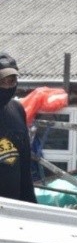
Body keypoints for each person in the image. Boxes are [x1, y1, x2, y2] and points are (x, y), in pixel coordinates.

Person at [0, 53, 36, 203]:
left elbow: (25, 166)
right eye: (2, 81)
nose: (8, 86)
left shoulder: (17, 110)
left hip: (13, 208)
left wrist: (31, 205)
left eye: (12, 81)